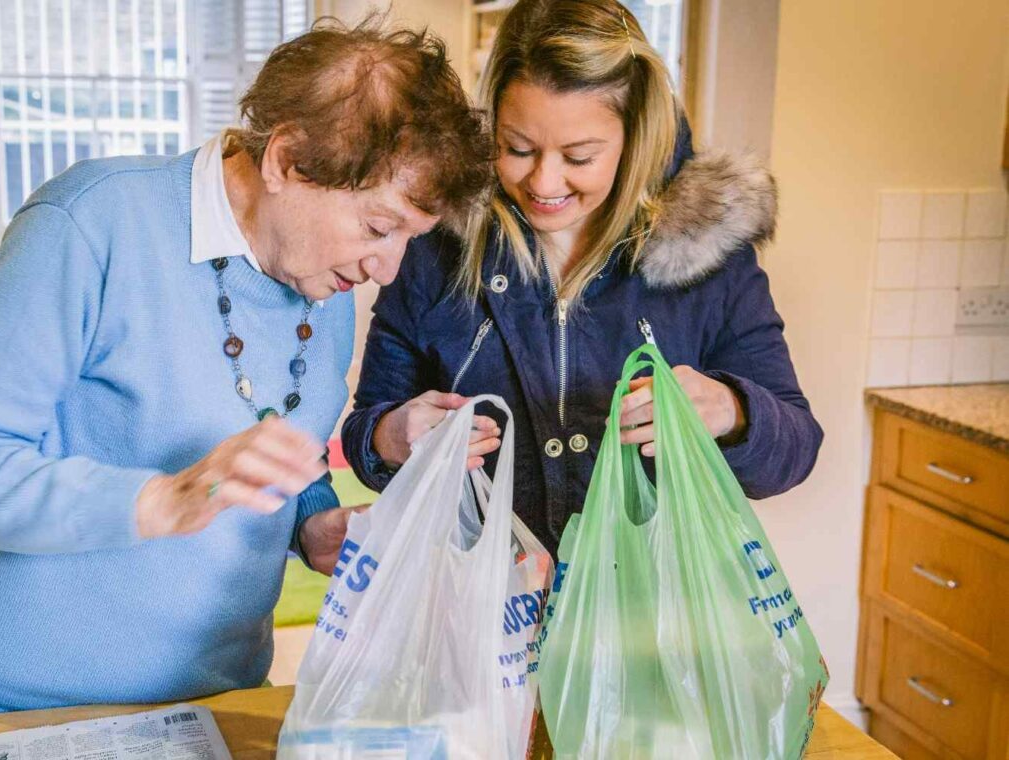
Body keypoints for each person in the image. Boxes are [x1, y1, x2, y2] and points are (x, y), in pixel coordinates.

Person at [0, 18, 493, 718]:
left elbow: (280, 443)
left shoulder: (318, 275)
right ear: (285, 160)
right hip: (24, 702)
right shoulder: (91, 223)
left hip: (213, 701)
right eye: (377, 227)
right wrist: (159, 500)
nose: (386, 268)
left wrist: (314, 525)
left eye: (409, 239)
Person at [342, 0, 822, 554]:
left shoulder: (710, 254)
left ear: (634, 136)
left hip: (649, 623)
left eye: (579, 156)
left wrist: (732, 413)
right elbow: (367, 435)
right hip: (479, 617)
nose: (544, 181)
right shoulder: (436, 249)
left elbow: (796, 449)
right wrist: (391, 436)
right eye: (516, 148)